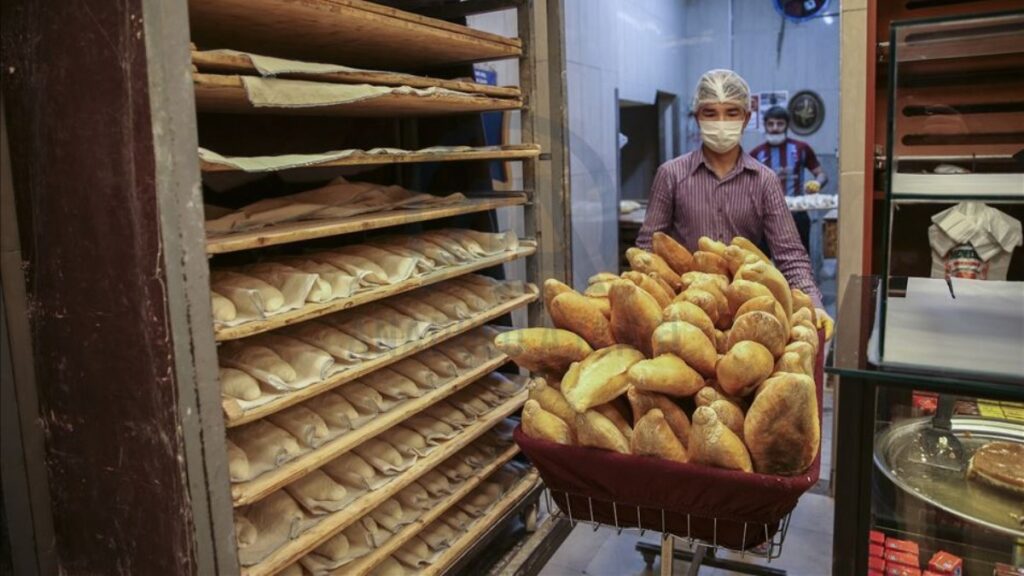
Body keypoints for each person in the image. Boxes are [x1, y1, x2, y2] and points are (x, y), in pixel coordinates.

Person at [636, 69, 828, 317]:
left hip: (747, 309)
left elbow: (790, 255)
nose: (721, 122)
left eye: (731, 113)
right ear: (697, 118)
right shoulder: (671, 175)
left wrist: (814, 304)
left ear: (746, 119)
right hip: (683, 308)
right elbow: (647, 250)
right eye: (710, 113)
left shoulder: (764, 181)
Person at [750, 106, 828, 251]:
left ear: (787, 125)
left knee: (800, 260)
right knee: (763, 264)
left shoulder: (801, 148)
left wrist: (817, 183)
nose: (775, 128)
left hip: (797, 216)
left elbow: (821, 174)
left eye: (780, 124)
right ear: (765, 126)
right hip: (765, 219)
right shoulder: (756, 153)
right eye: (771, 124)